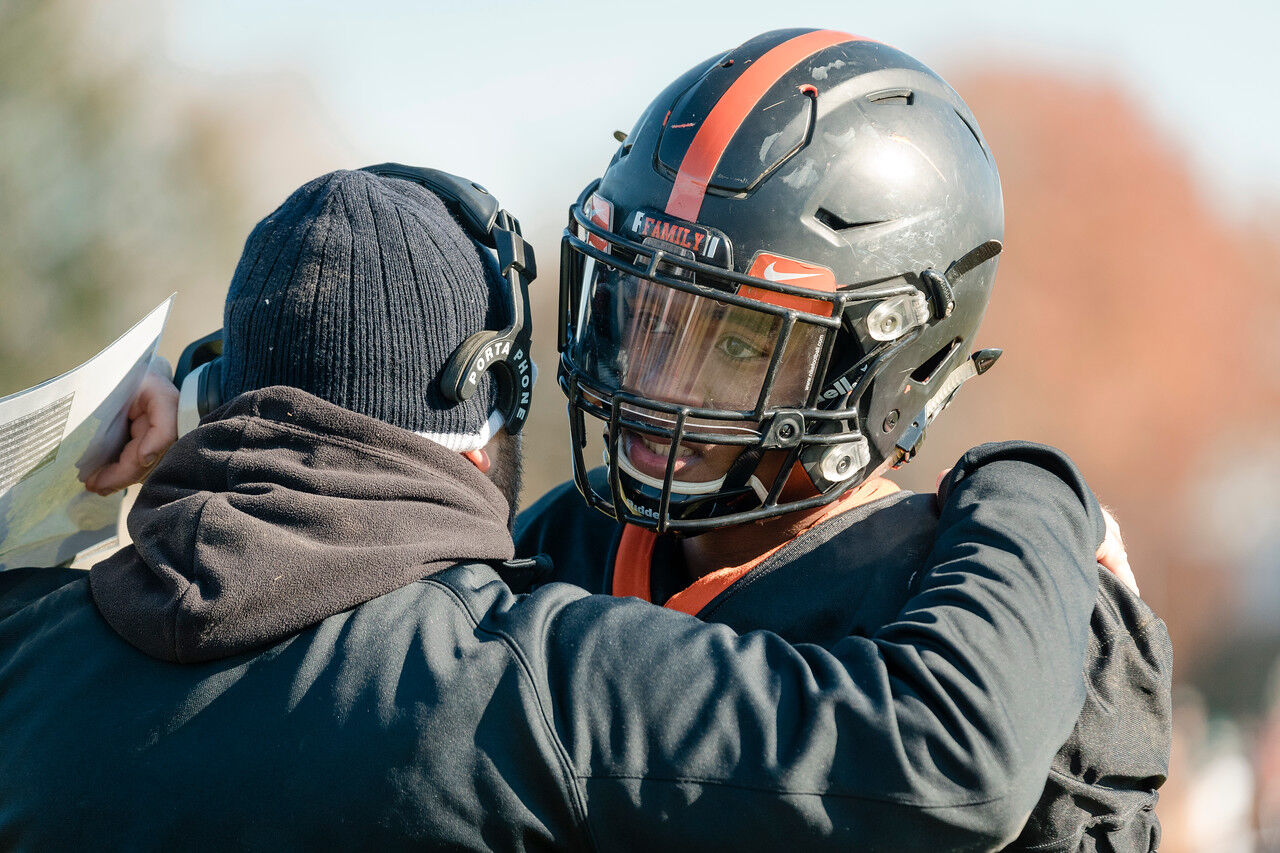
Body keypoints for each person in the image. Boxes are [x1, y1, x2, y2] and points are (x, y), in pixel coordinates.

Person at [1, 164, 1111, 851]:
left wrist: (174, 426)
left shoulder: (27, 651)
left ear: (224, 392)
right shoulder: (530, 685)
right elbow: (946, 749)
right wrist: (1032, 490)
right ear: (485, 408)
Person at [514, 29, 1172, 850]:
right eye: (642, 310)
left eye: (738, 343)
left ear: (891, 354)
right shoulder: (560, 540)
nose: (655, 376)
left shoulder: (976, 606)